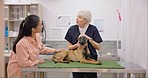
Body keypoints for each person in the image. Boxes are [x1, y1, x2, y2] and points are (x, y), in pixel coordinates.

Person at [65, 10, 103, 78]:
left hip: (91, 59)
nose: (76, 19)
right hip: (77, 60)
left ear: (86, 20)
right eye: (77, 17)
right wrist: (77, 45)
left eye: (79, 17)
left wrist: (89, 39)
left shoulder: (93, 29)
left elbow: (98, 47)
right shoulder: (72, 29)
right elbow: (69, 47)